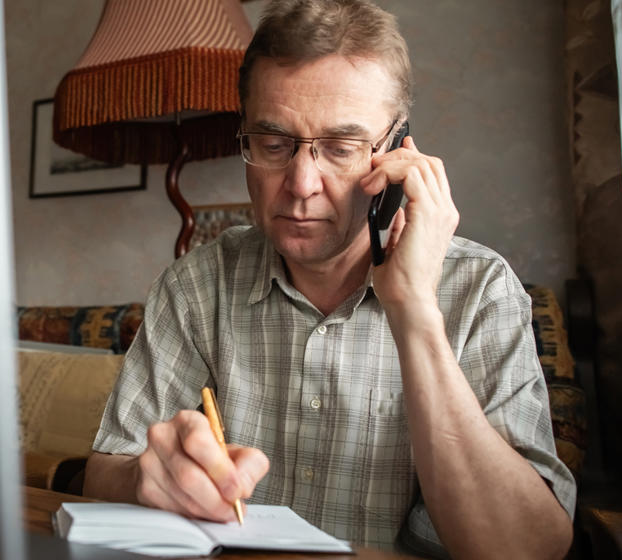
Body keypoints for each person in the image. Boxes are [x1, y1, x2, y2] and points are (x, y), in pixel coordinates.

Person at [81, 0, 577, 557]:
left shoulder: (481, 288)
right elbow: (105, 472)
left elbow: (531, 549)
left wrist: (413, 308)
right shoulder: (197, 285)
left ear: (395, 154)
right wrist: (149, 479)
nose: (300, 184)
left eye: (341, 148)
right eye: (273, 144)